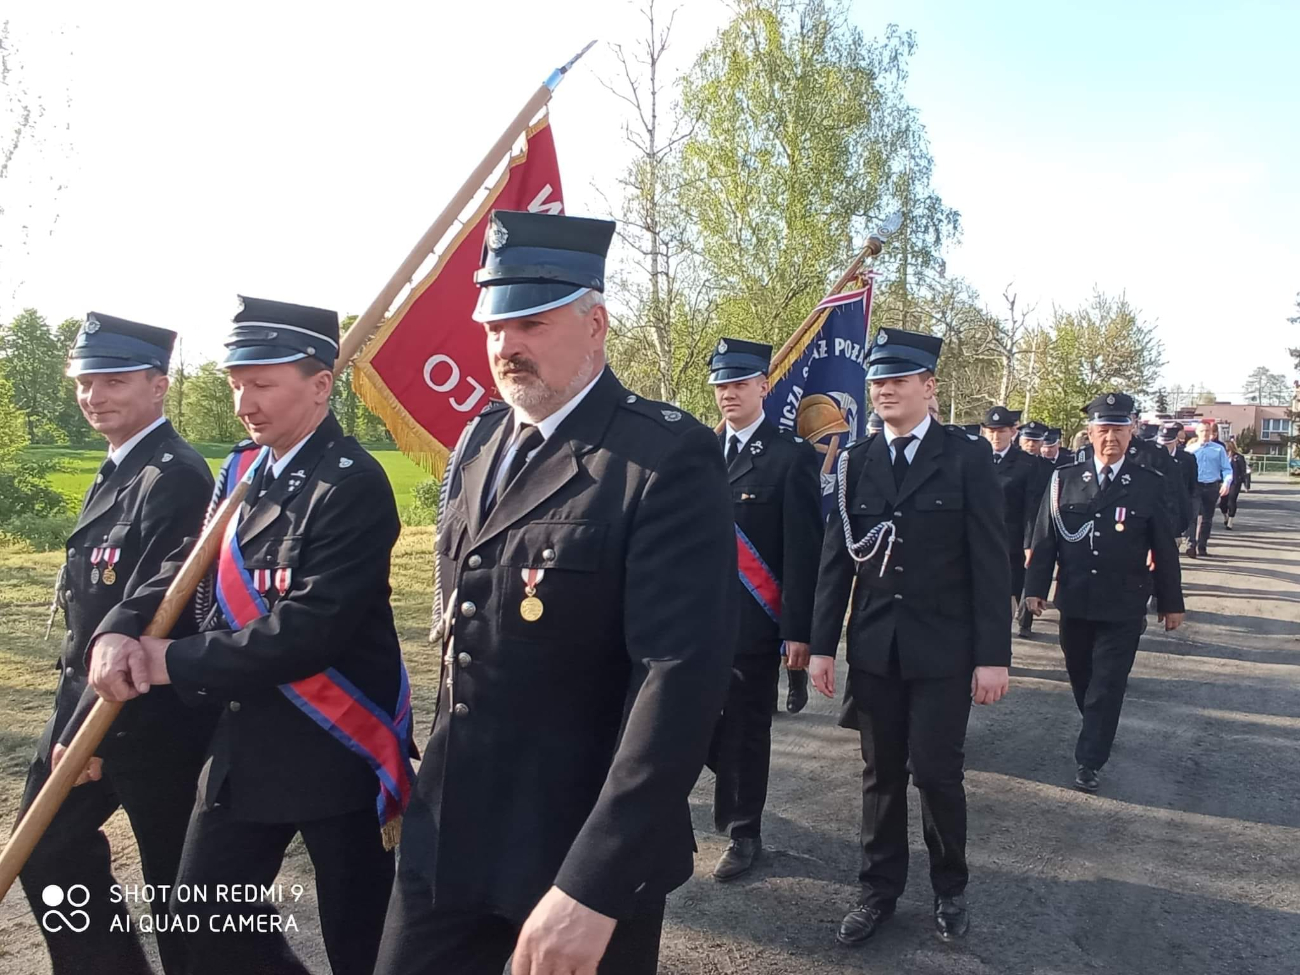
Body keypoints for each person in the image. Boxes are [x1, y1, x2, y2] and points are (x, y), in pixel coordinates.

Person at [374, 210, 735, 975]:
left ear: (595, 321)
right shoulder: (477, 442)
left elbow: (677, 682)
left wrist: (594, 884)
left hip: (572, 843)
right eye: (493, 327)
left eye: (531, 323)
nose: (506, 346)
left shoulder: (662, 458)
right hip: (452, 830)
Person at [90, 296, 412, 975]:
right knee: (204, 919)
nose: (243, 401)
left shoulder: (351, 483)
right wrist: (122, 625)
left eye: (262, 383)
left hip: (336, 744)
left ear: (321, 385)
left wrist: (175, 659)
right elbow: (186, 568)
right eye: (237, 381)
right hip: (245, 740)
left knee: (362, 942)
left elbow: (309, 629)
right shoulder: (240, 471)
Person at [17, 314, 215, 975]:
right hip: (87, 707)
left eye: (114, 380)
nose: (95, 395)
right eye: (86, 382)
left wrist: (94, 733)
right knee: (45, 852)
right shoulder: (116, 471)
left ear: (159, 385)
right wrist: (75, 724)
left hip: (151, 721)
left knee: (182, 894)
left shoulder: (176, 474)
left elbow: (163, 594)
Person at [809, 327, 1011, 947]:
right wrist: (820, 645)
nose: (885, 388)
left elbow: (989, 560)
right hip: (876, 647)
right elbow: (836, 559)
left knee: (937, 774)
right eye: (878, 380)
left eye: (898, 378)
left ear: (930, 386)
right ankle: (878, 889)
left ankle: (950, 887)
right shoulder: (854, 461)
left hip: (945, 651)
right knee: (880, 774)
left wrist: (992, 658)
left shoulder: (966, 456)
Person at [1025, 391, 1184, 793]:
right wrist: (1034, 589)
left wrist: (1170, 602)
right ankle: (1098, 728)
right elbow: (1046, 538)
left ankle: (1089, 760)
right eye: (1103, 429)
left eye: (1118, 429)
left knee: (1107, 684)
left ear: (1132, 432)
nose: (1110, 437)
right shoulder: (1064, 479)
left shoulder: (1149, 484)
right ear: (1090, 434)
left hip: (1124, 602)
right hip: (1076, 598)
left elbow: (1164, 547)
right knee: (1081, 676)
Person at [704, 337, 821, 879]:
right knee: (695, 723)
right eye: (722, 384)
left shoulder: (790, 457)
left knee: (747, 729)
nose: (729, 393)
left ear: (763, 387)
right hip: (696, 622)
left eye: (739, 383)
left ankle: (743, 831)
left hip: (756, 623)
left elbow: (803, 552)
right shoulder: (700, 452)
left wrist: (800, 631)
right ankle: (731, 796)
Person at [981, 406, 1038, 619]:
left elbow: (1031, 508)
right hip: (979, 538)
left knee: (1006, 596)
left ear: (1013, 432)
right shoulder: (974, 459)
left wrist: (1029, 544)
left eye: (1001, 431)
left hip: (1010, 543)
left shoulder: (1026, 464)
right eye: (991, 431)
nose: (996, 436)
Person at [1014, 420, 1053, 638]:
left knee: (1031, 571)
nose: (1031, 445)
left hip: (1039, 524)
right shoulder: (1013, 463)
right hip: (1014, 525)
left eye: (1035, 441)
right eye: (1027, 440)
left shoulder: (1048, 468)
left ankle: (1025, 621)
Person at [1184, 419, 1233, 557]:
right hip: (1195, 486)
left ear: (1211, 433)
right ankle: (1190, 545)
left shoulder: (1218, 449)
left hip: (1212, 486)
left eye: (1208, 431)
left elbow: (1227, 469)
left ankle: (1202, 546)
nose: (1205, 433)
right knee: (1192, 516)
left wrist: (1226, 483)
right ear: (1197, 432)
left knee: (1207, 518)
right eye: (1202, 431)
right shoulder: (1190, 450)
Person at [1218, 439, 1248, 529]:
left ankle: (1230, 521)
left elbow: (1243, 471)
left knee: (1231, 500)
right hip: (1224, 482)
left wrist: (1246, 484)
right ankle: (1225, 516)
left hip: (1235, 482)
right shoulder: (1222, 457)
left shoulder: (1238, 457)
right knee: (1222, 503)